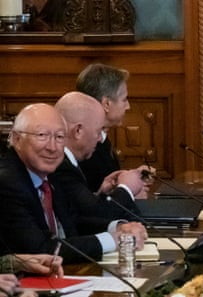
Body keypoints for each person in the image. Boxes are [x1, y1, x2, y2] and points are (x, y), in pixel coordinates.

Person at [0, 103, 145, 264]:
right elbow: (41, 250)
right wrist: (112, 241)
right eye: (42, 135)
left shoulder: (49, 172)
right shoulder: (7, 182)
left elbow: (72, 223)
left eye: (60, 137)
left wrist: (116, 228)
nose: (52, 147)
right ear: (17, 139)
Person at [49, 91, 149, 225]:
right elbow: (98, 213)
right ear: (78, 131)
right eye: (98, 131)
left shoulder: (68, 161)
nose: (100, 138)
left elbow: (79, 212)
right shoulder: (61, 165)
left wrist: (100, 194)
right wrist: (126, 188)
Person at [76, 63, 154, 194]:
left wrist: (133, 179)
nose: (128, 106)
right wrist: (129, 194)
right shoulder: (86, 147)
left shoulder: (103, 139)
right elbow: (94, 200)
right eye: (124, 100)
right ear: (106, 103)